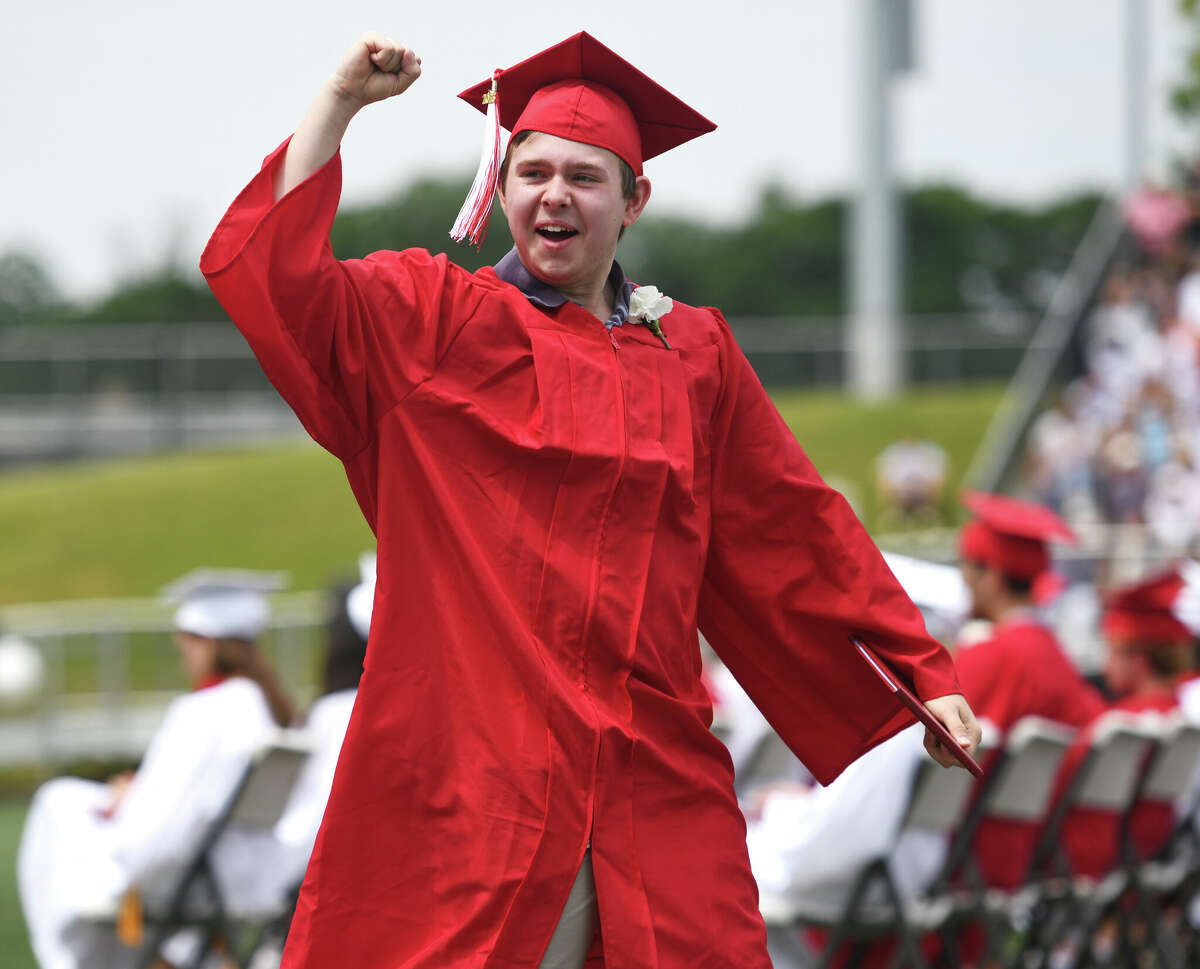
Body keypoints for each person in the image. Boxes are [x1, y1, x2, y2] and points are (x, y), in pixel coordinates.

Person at [199, 31, 980, 969]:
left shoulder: (693, 355)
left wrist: (921, 669)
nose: (553, 195)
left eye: (584, 175)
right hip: (473, 769)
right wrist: (338, 103)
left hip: (653, 770)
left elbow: (788, 526)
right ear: (500, 187)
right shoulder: (432, 327)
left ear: (634, 199)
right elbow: (279, 281)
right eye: (530, 171)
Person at [16, 571, 297, 969]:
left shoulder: (205, 712)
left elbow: (164, 825)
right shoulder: (261, 708)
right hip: (242, 874)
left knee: (58, 805)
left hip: (197, 880)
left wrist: (127, 804)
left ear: (206, 643)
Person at [951, 491, 1107, 891]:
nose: (963, 580)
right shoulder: (1055, 654)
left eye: (968, 568)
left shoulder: (993, 655)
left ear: (993, 577)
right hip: (1027, 846)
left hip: (969, 857)